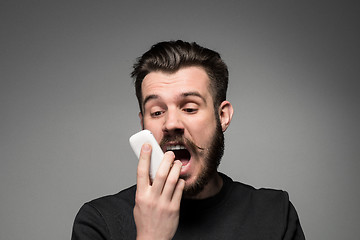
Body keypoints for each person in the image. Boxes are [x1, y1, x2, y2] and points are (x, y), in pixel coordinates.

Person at [71, 40, 305, 240]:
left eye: (190, 108)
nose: (171, 123)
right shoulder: (99, 222)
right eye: (157, 112)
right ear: (143, 124)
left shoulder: (275, 214)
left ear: (222, 116)